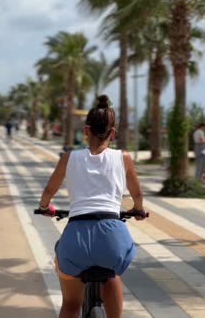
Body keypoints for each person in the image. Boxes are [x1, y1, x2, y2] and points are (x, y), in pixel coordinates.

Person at [38, 95, 146, 318]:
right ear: (113, 133)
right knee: (113, 272)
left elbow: (49, 191)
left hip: (76, 239)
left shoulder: (69, 158)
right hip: (112, 239)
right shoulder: (123, 157)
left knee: (70, 303)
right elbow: (137, 193)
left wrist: (45, 207)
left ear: (86, 131)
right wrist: (138, 209)